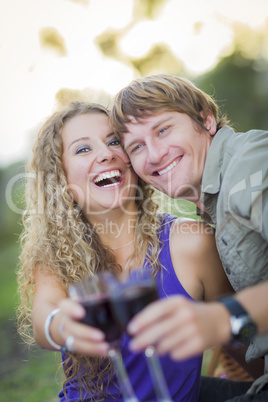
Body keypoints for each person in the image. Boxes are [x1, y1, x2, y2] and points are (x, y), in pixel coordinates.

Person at [17, 101, 233, 402]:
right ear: (61, 179)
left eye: (114, 141)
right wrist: (60, 324)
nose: (106, 154)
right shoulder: (56, 256)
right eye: (83, 149)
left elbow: (240, 335)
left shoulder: (191, 241)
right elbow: (45, 316)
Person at [111, 74, 268, 401]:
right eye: (137, 146)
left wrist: (223, 317)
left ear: (206, 120)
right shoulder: (211, 206)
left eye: (163, 130)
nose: (153, 155)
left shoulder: (249, 164)